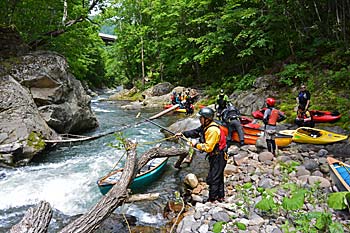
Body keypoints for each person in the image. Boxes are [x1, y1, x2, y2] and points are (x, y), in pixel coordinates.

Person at [176, 107, 227, 203]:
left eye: (201, 118)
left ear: (207, 119)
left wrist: (196, 145)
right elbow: (195, 132)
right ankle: (220, 197)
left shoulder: (212, 130)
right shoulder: (205, 126)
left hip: (219, 156)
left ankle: (212, 199)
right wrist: (183, 134)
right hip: (215, 155)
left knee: (214, 178)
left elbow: (208, 147)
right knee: (218, 176)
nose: (199, 120)